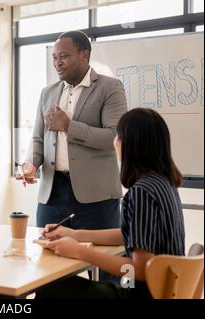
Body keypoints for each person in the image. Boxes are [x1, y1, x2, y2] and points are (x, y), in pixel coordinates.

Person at [35, 108, 185, 299]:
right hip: (160, 289)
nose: (115, 142)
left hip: (141, 293)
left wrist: (79, 251)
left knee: (51, 288)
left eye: (118, 136)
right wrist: (74, 234)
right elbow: (129, 235)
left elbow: (140, 270)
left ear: (131, 144)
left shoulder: (141, 192)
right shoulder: (164, 184)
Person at [19, 30, 127, 231]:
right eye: (54, 57)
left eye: (64, 56)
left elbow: (115, 137)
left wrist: (69, 126)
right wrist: (31, 164)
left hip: (96, 198)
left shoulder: (110, 87)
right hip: (51, 195)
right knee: (48, 259)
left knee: (99, 259)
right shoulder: (47, 92)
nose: (57, 62)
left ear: (84, 55)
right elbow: (38, 139)